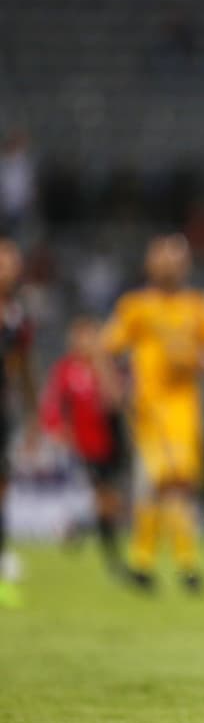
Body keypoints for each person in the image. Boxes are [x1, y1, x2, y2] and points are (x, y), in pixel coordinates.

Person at [103, 233, 204, 593]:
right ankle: (165, 564)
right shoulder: (136, 307)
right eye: (164, 259)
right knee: (161, 482)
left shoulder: (197, 305)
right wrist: (115, 390)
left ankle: (158, 564)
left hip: (185, 410)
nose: (171, 266)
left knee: (180, 485)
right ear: (151, 264)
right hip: (148, 409)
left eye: (177, 260)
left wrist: (199, 359)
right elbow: (106, 347)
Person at [38, 316, 130, 580]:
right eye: (80, 336)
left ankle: (78, 530)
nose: (85, 342)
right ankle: (112, 559)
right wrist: (57, 431)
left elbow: (115, 401)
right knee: (103, 501)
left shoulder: (108, 366)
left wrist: (102, 364)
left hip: (111, 444)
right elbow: (53, 406)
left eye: (90, 335)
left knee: (110, 503)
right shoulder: (65, 370)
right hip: (83, 446)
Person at [0, 239, 37, 609]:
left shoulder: (16, 316)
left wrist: (33, 415)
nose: (8, 268)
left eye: (12, 262)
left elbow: (24, 368)